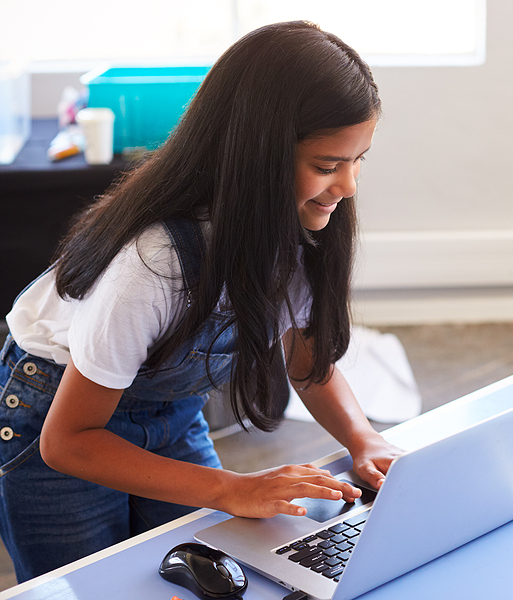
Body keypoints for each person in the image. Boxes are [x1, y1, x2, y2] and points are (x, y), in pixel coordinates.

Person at [0, 20, 403, 582]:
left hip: (171, 412)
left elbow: (308, 362)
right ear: (256, 155)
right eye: (327, 166)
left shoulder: (306, 227)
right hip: (58, 419)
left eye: (359, 161)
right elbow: (68, 442)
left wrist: (362, 438)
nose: (349, 187)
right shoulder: (155, 262)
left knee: (214, 566)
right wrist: (232, 488)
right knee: (91, 584)